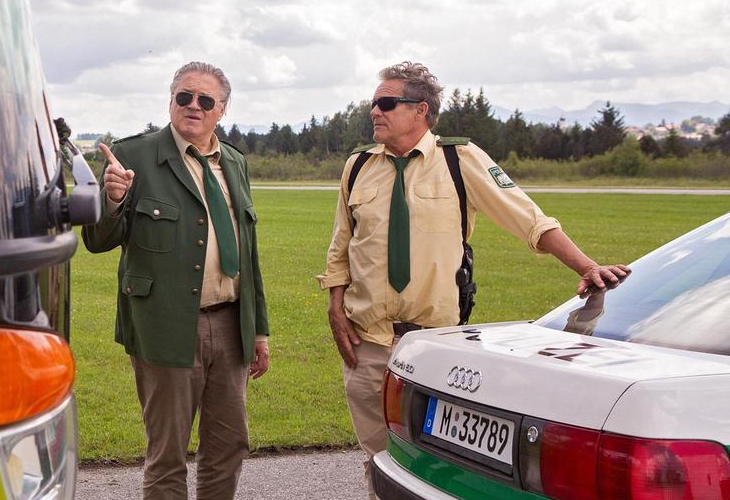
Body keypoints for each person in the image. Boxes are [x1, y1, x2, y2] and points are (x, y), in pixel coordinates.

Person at [318, 61, 631, 498]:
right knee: (377, 459)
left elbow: (530, 219)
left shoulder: (459, 159)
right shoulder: (357, 167)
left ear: (420, 110)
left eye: (387, 102)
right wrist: (335, 307)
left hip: (435, 345)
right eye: (373, 103)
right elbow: (341, 245)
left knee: (434, 464)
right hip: (367, 342)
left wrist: (585, 266)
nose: (375, 111)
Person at [82, 61, 270, 500]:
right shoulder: (133, 157)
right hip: (164, 326)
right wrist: (111, 198)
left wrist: (258, 329)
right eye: (184, 96)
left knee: (229, 447)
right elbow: (99, 240)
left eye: (205, 100)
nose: (193, 106)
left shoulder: (235, 163)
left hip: (230, 325)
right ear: (170, 100)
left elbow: (249, 254)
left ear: (221, 110)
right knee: (167, 455)